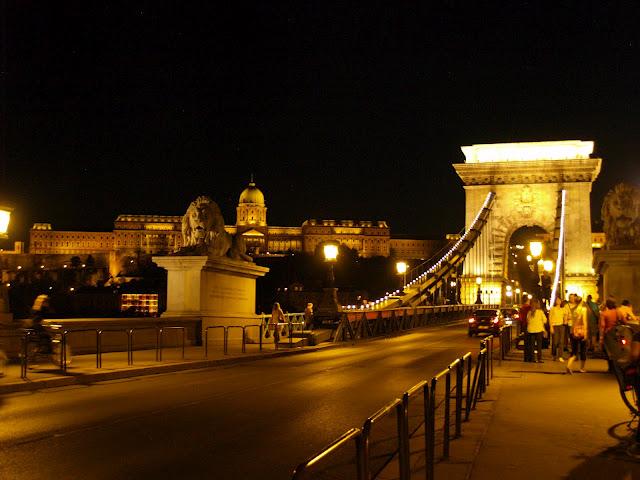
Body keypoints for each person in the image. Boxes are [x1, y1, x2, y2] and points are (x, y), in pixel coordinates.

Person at [566, 296, 588, 374]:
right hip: (581, 331)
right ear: (581, 302)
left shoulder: (573, 309)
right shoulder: (583, 310)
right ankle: (582, 368)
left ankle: (568, 365)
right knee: (583, 350)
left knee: (574, 351)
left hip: (574, 331)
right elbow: (584, 321)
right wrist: (585, 332)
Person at [526, 298, 548, 363]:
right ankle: (539, 358)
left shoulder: (529, 312)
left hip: (530, 330)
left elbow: (527, 320)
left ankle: (532, 358)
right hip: (539, 330)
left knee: (532, 345)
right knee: (539, 345)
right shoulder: (540, 312)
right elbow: (545, 320)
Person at [549, 296, 567, 361]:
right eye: (557, 300)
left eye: (559, 300)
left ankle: (560, 356)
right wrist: (551, 327)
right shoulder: (553, 309)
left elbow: (566, 316)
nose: (558, 301)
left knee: (561, 341)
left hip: (561, 326)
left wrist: (565, 320)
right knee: (555, 342)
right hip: (555, 325)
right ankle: (554, 355)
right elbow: (550, 318)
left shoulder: (563, 309)